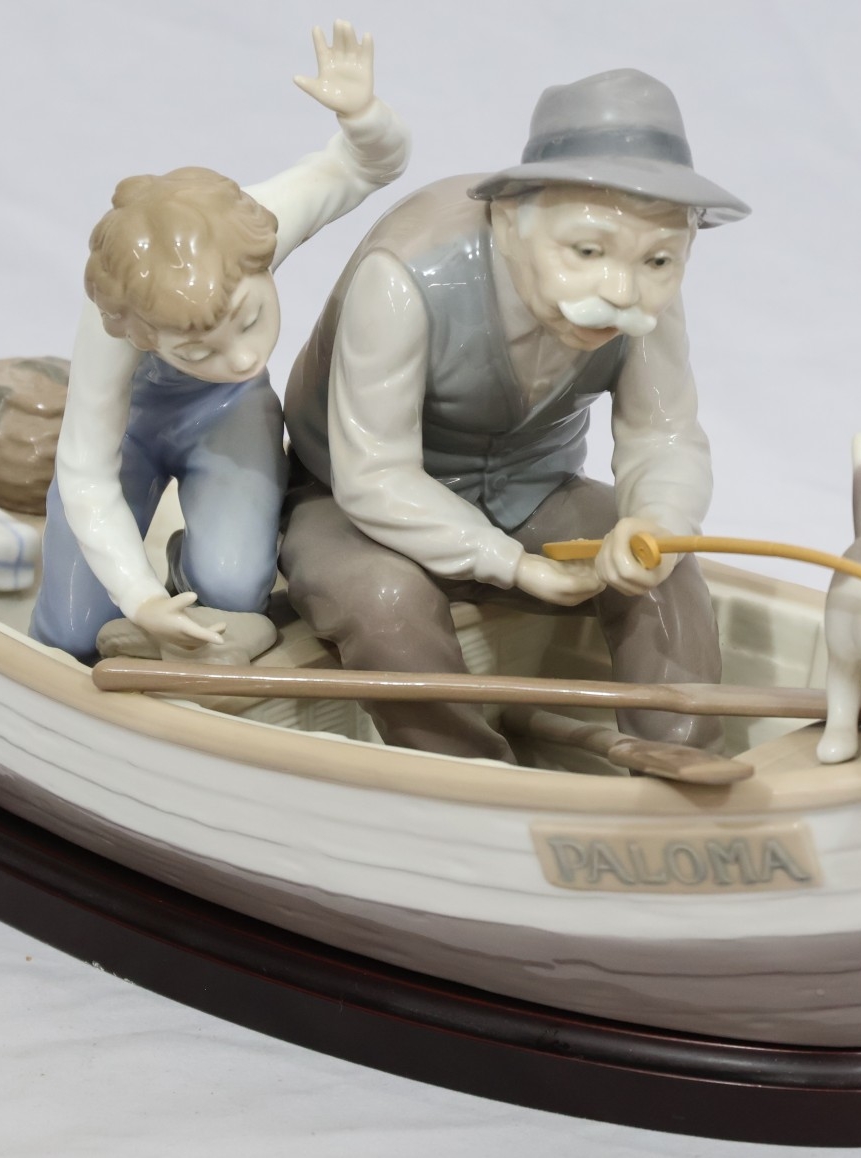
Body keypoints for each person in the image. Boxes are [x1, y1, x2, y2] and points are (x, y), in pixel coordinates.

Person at [281, 68, 749, 761]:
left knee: (666, 567)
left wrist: (656, 521)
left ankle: (683, 763)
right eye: (586, 251)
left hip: (535, 494)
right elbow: (374, 475)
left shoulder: (636, 292)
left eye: (659, 261)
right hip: (350, 504)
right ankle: (469, 779)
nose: (622, 289)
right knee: (384, 599)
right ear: (509, 219)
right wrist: (510, 565)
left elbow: (664, 434)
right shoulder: (406, 277)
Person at [30, 21, 409, 662]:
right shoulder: (111, 325)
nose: (242, 357)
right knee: (70, 633)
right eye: (197, 352)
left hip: (227, 414)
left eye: (250, 319)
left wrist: (363, 117)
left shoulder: (254, 227)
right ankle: (131, 609)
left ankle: (192, 569)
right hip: (132, 429)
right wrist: (139, 598)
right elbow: (86, 473)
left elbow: (368, 165)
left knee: (232, 589)